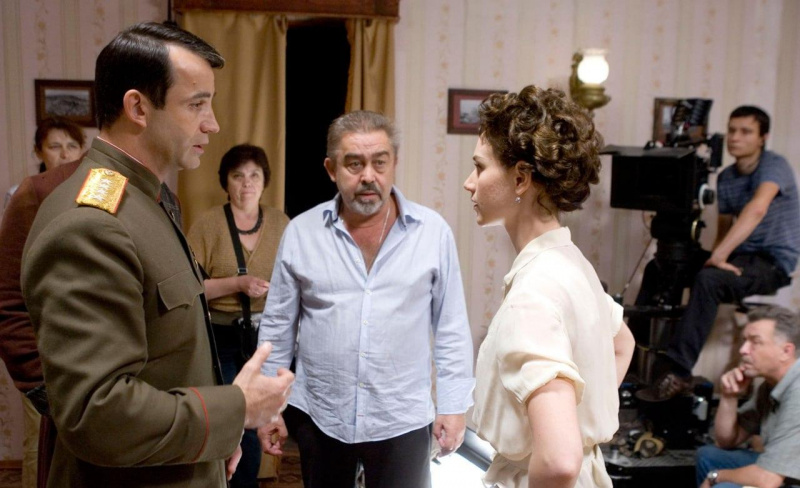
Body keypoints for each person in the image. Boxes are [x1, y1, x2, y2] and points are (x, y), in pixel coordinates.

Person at [20, 22, 293, 488]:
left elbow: (170, 357)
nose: (213, 123)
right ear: (138, 108)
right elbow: (98, 414)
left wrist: (216, 437)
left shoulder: (148, 199)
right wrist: (236, 409)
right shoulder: (92, 223)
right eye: (197, 104)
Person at [257, 110, 474, 488]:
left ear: (394, 163)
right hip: (322, 415)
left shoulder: (432, 233)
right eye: (354, 164)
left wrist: (454, 405)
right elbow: (277, 326)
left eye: (379, 162)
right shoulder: (301, 233)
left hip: (402, 418)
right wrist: (267, 407)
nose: (368, 176)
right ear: (331, 169)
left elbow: (451, 327)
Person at [464, 85, 635, 488]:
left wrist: (561, 435)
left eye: (480, 168)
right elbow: (622, 342)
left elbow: (558, 461)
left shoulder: (534, 292)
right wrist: (571, 419)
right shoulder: (572, 262)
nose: (469, 183)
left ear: (521, 178)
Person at [637, 106, 800, 402]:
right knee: (661, 266)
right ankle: (633, 353)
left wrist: (719, 258)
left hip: (771, 263)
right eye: (732, 130)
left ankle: (678, 371)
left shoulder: (774, 166)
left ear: (763, 137)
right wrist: (716, 256)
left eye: (746, 132)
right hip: (739, 257)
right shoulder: (726, 177)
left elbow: (757, 209)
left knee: (710, 279)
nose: (735, 137)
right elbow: (725, 229)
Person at [188, 144, 290, 487]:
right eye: (238, 176)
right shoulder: (208, 224)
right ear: (226, 182)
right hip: (221, 337)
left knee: (258, 420)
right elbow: (191, 288)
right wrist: (237, 284)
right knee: (231, 418)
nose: (247, 183)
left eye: (254, 175)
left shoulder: (281, 223)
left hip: (266, 338)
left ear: (264, 181)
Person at [696, 305, 800, 488]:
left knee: (724, 487)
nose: (743, 350)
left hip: (785, 478)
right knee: (709, 456)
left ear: (786, 351)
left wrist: (716, 476)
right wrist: (729, 396)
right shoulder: (769, 386)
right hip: (784, 473)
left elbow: (768, 480)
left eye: (755, 342)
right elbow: (727, 441)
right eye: (745, 341)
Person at [3, 117, 85, 212]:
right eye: (55, 147)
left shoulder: (91, 192)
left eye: (72, 146)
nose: (65, 155)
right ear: (38, 152)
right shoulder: (20, 194)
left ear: (81, 151)